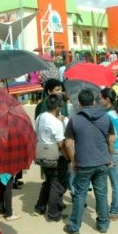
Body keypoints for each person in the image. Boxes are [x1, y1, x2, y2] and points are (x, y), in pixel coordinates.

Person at [64, 89, 115, 234]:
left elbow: (68, 144)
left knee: (80, 194)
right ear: (93, 102)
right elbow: (111, 139)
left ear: (79, 103)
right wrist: (109, 157)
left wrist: (73, 161)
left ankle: (74, 226)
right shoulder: (106, 117)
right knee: (101, 193)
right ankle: (103, 224)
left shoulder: (74, 119)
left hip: (84, 163)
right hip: (102, 161)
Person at [33, 94, 68, 222]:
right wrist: (68, 157)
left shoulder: (40, 117)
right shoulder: (56, 123)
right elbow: (61, 144)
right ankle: (54, 213)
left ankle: (40, 207)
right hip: (55, 157)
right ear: (58, 107)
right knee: (56, 184)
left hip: (42, 154)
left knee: (48, 182)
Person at [100, 88, 118, 220]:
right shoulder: (115, 113)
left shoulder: (109, 115)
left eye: (101, 98)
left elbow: (111, 136)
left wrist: (108, 155)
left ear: (107, 99)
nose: (99, 100)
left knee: (115, 183)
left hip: (113, 151)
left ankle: (114, 210)